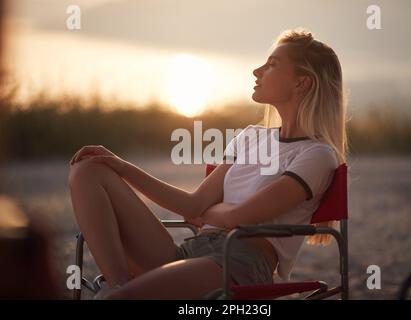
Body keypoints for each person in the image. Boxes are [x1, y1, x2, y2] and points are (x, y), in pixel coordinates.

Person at [68, 28, 348, 299]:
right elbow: (192, 207)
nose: (257, 71)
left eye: (272, 64)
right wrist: (121, 166)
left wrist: (208, 213)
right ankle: (116, 286)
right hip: (192, 251)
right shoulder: (250, 136)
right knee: (88, 169)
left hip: (239, 262)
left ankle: (119, 294)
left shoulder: (316, 154)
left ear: (302, 82)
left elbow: (239, 218)